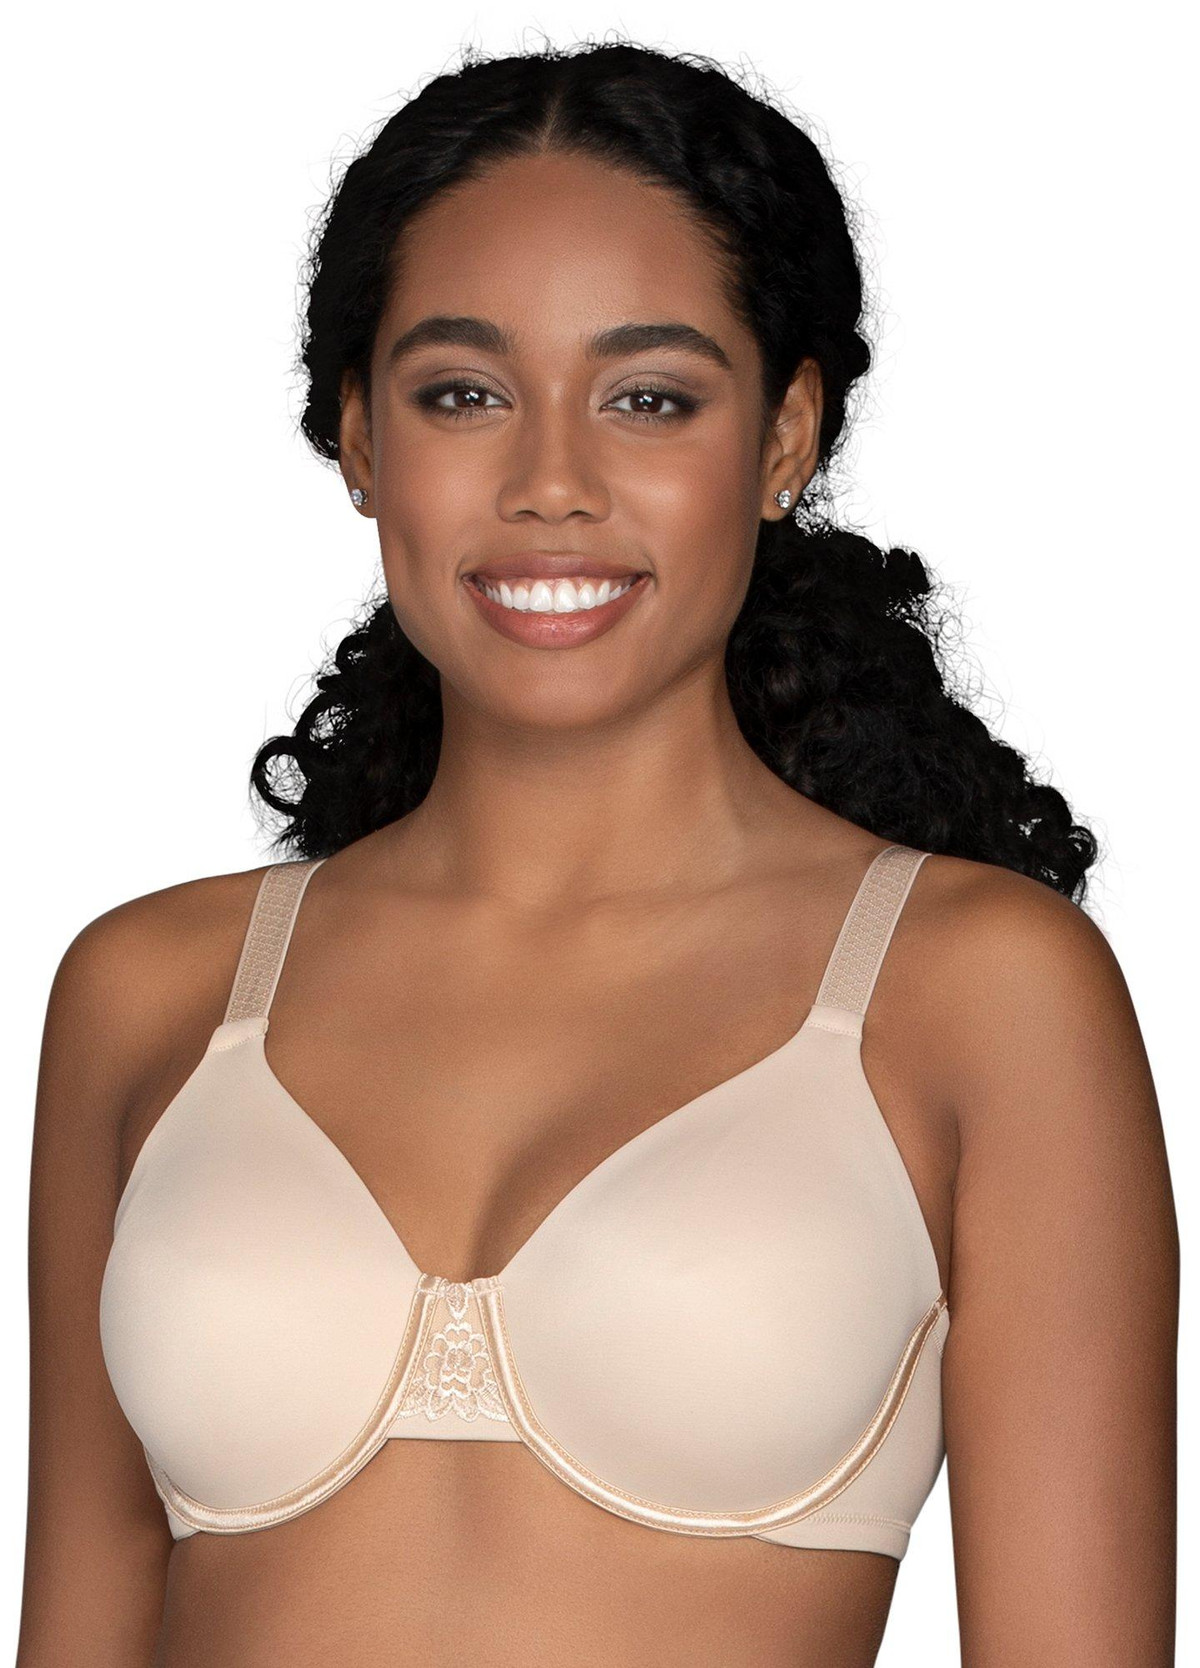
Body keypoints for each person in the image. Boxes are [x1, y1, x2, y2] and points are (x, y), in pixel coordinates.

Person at [18, 38, 1177, 1668]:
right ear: (359, 437)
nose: (551, 484)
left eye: (649, 399)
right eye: (462, 394)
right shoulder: (149, 993)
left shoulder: (980, 993)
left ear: (784, 437)